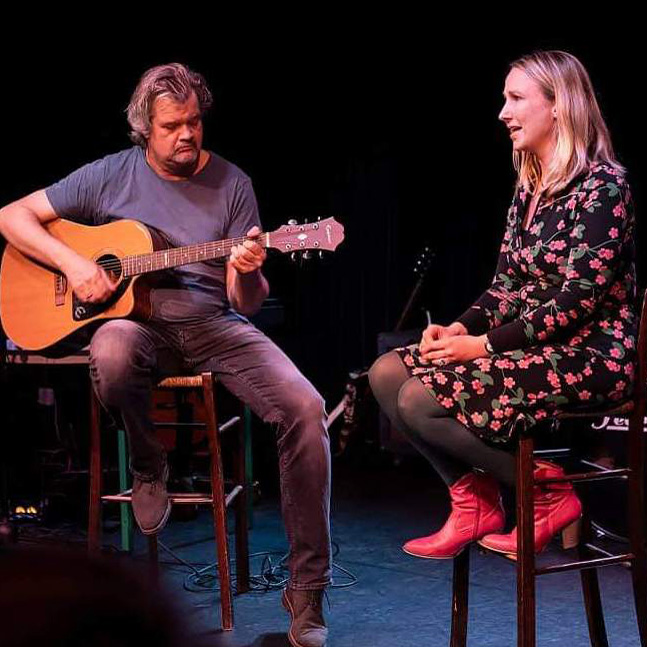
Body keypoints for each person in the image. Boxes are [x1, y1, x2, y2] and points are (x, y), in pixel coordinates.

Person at [0, 63, 329, 647]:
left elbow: (244, 302)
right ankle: (150, 463)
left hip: (212, 323)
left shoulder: (233, 183)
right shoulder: (109, 176)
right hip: (136, 325)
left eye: (195, 123)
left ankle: (307, 591)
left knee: (306, 408)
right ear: (144, 130)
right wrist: (76, 265)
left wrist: (249, 272)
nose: (187, 136)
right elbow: (12, 216)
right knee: (113, 347)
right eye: (173, 125)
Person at [369, 50, 637, 559]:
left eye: (516, 99)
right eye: (504, 99)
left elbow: (577, 300)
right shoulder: (529, 188)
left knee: (418, 399)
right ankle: (472, 501)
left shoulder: (605, 187)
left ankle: (546, 492)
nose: (503, 113)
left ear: (559, 106)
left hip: (591, 355)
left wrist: (485, 345)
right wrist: (458, 329)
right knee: (386, 373)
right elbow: (506, 286)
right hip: (532, 349)